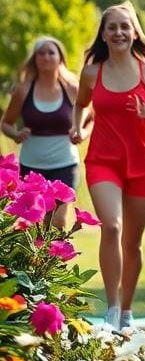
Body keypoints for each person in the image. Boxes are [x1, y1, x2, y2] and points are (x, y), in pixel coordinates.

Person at [70, 2, 145, 331]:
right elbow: (80, 105)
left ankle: (128, 309)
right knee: (112, 227)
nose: (118, 32)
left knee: (132, 242)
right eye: (112, 27)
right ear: (103, 34)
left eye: (125, 26)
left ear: (134, 32)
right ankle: (112, 307)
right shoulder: (92, 72)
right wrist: (78, 127)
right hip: (103, 161)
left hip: (143, 163)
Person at [2, 37, 82, 230]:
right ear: (35, 59)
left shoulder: (72, 89)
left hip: (65, 164)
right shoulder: (23, 90)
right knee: (32, 224)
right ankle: (37, 261)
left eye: (51, 52)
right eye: (41, 53)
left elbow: (89, 117)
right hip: (31, 167)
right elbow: (5, 123)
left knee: (57, 222)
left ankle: (56, 257)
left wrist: (81, 131)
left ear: (60, 59)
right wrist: (16, 134)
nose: (46, 56)